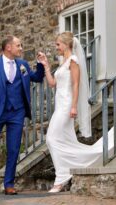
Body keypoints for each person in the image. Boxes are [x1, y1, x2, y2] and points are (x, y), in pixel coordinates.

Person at [0, 35, 45, 195]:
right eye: (18, 45)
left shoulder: (22, 64)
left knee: (14, 149)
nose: (21, 48)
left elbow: (36, 78)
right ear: (8, 47)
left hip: (17, 112)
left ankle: (9, 184)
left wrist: (41, 64)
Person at [38, 32, 94, 193]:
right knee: (64, 140)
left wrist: (74, 106)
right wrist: (46, 66)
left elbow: (76, 85)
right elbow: (52, 83)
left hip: (67, 104)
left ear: (66, 45)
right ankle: (71, 168)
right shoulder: (63, 63)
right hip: (59, 105)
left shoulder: (73, 61)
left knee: (51, 138)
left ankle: (61, 177)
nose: (56, 47)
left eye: (58, 45)